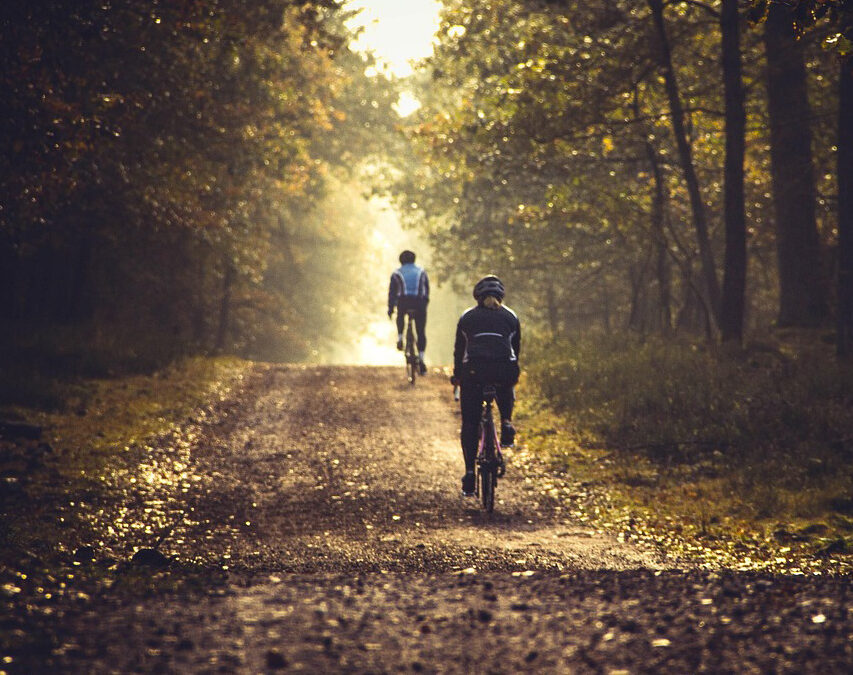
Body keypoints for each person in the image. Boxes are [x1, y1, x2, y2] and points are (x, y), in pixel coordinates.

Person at [451, 275, 521, 497]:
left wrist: (457, 377)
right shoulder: (511, 317)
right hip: (503, 370)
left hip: (474, 373)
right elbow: (515, 352)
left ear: (477, 296)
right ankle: (507, 422)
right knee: (506, 381)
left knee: (470, 423)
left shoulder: (467, 318)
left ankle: (470, 473)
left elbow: (459, 351)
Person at [388, 250, 430, 375]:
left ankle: (400, 337)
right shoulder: (422, 272)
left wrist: (390, 309)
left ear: (401, 261)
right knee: (421, 331)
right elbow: (426, 290)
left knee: (400, 315)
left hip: (404, 302)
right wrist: (424, 305)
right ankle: (421, 358)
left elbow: (392, 294)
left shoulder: (396, 273)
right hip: (419, 303)